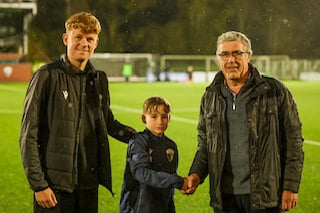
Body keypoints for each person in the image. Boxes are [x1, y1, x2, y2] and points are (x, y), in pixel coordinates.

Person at [19, 12, 136, 213]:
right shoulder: (46, 76)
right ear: (66, 39)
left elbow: (107, 122)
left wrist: (142, 138)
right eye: (78, 37)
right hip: (55, 188)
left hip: (88, 186)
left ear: (96, 42)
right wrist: (39, 185)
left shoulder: (99, 79)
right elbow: (29, 135)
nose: (84, 43)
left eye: (90, 39)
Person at [183, 31, 304, 213]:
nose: (231, 60)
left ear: (249, 55)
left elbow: (293, 142)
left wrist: (291, 186)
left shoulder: (274, 91)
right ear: (218, 58)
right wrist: (195, 174)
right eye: (224, 54)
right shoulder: (210, 97)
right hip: (224, 198)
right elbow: (206, 146)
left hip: (264, 196)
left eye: (237, 53)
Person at [120, 96, 187, 213]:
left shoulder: (171, 146)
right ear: (144, 118)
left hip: (163, 207)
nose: (160, 121)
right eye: (154, 116)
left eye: (164, 117)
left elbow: (170, 177)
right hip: (138, 207)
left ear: (169, 118)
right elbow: (141, 173)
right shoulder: (139, 142)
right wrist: (177, 181)